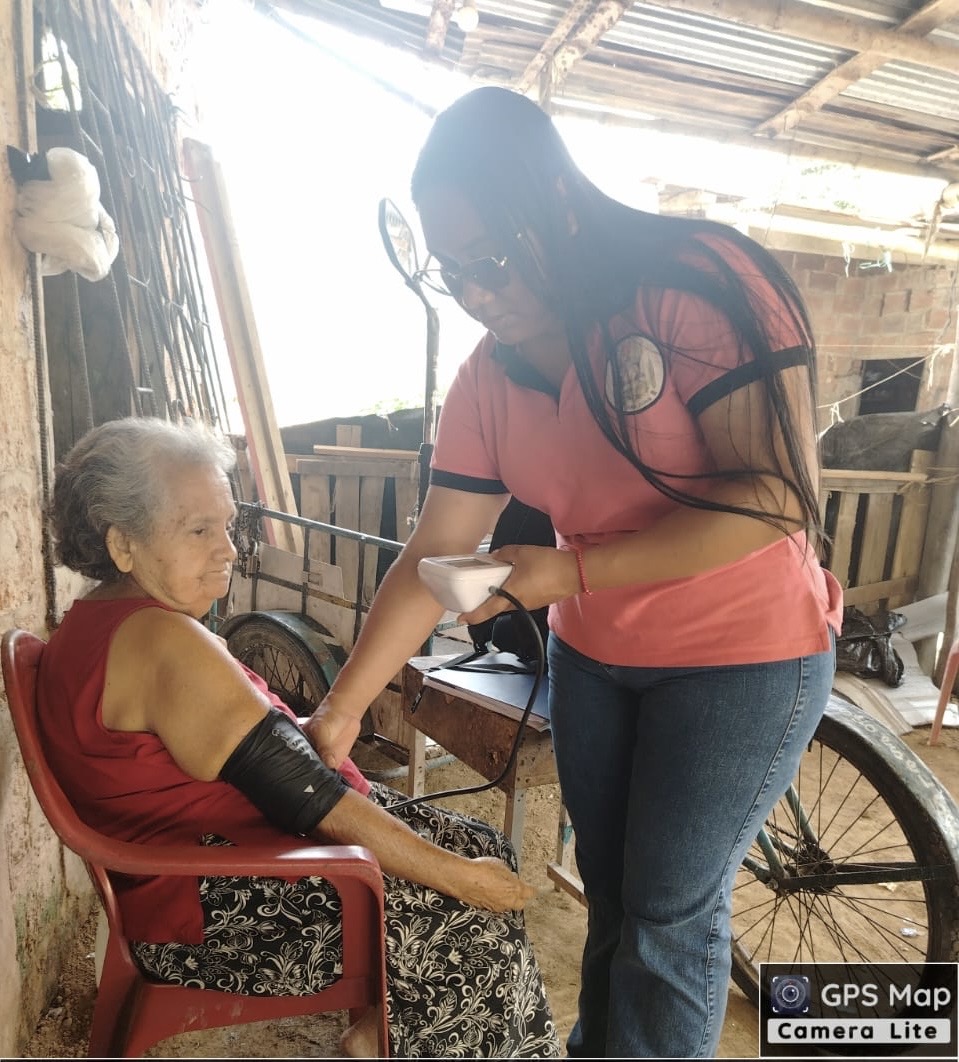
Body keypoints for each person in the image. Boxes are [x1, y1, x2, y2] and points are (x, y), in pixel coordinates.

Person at [304, 86, 843, 1058]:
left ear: (555, 202)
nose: (475, 293)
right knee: (611, 892)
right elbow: (434, 553)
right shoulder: (488, 375)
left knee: (665, 912)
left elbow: (774, 496)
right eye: (452, 271)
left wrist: (570, 571)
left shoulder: (696, 285)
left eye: (491, 261)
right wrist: (343, 709)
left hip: (741, 655)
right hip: (596, 658)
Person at [36, 416, 560, 1060]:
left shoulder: (100, 619)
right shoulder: (159, 641)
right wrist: (460, 881)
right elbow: (310, 798)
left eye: (227, 526)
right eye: (198, 531)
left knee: (481, 846)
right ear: (123, 545)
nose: (228, 550)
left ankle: (383, 1037)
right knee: (472, 927)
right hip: (212, 913)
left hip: (208, 868)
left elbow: (266, 766)